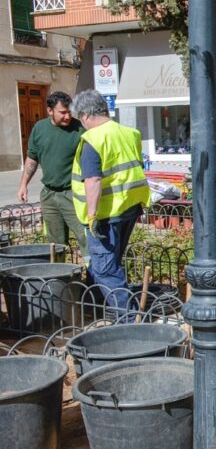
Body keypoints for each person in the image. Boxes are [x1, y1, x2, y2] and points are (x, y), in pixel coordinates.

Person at [70, 90, 151, 321]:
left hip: (105, 214)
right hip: (129, 208)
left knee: (105, 269)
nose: (82, 125)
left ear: (86, 115)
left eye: (80, 119)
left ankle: (129, 320)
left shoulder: (93, 140)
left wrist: (92, 215)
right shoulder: (129, 133)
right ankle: (104, 309)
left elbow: (93, 180)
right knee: (110, 263)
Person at [17, 91, 88, 254]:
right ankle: (59, 269)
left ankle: (91, 270)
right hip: (49, 195)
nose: (67, 116)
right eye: (62, 112)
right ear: (50, 111)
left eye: (69, 112)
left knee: (86, 239)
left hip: (73, 194)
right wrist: (23, 185)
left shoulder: (80, 129)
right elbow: (32, 158)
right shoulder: (39, 128)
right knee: (55, 245)